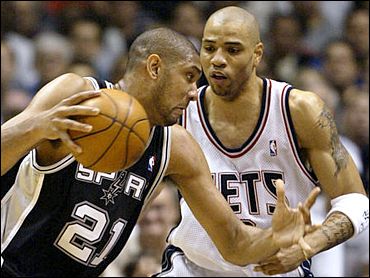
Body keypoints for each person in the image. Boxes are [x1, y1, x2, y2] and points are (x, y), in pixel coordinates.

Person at [1, 27, 319, 277]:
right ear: (155, 67)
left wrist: (274, 237)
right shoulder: (79, 94)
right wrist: (37, 128)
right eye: (190, 77)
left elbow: (234, 243)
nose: (195, 93)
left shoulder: (177, 148)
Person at [155, 7, 369, 277]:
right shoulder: (179, 110)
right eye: (209, 48)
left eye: (232, 50)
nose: (217, 60)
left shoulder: (299, 110)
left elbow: (357, 202)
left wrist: (309, 244)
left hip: (275, 268)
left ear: (257, 54)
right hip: (193, 267)